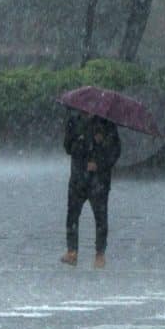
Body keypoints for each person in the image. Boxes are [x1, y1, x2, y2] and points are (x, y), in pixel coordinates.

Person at [61, 112, 120, 269]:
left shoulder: (107, 124)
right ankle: (72, 251)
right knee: (72, 215)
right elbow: (67, 146)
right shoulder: (74, 121)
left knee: (101, 218)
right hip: (78, 178)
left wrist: (99, 162)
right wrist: (79, 143)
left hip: (99, 181)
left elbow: (115, 151)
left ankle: (100, 254)